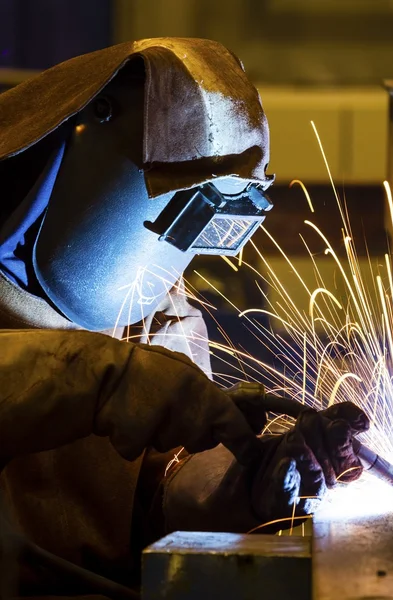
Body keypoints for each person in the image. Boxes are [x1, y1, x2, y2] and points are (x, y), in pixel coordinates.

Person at [0, 38, 368, 598]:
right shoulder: (117, 358)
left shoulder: (151, 306)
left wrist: (248, 479)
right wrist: (100, 380)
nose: (170, 251)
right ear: (93, 139)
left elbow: (165, 488)